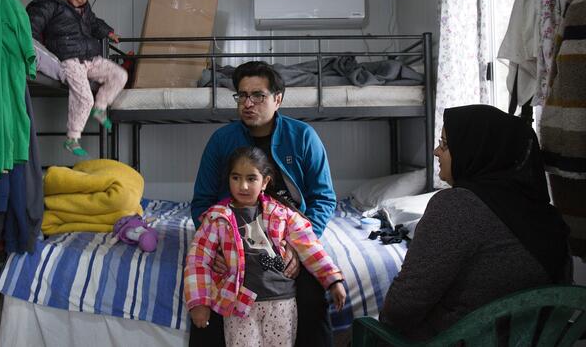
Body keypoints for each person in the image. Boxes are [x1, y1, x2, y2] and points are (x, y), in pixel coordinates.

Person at [379, 104, 572, 341]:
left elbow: (400, 310)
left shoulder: (457, 206)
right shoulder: (548, 217)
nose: (436, 152)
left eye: (445, 145)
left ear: (477, 151)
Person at [190, 61, 338, 347]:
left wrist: (299, 248)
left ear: (277, 99)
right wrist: (218, 245)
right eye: (242, 95)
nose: (248, 103)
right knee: (210, 291)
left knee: (312, 292)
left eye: (258, 95)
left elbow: (323, 198)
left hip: (288, 236)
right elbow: (201, 202)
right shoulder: (222, 140)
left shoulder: (303, 137)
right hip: (235, 235)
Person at [184, 146, 346, 347]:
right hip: (239, 304)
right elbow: (197, 259)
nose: (242, 186)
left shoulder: (283, 213)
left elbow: (310, 246)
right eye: (236, 178)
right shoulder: (216, 217)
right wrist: (199, 303)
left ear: (265, 182)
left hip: (282, 302)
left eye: (251, 179)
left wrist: (333, 280)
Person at [26, 0, 127, 156]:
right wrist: (35, 46)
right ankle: (72, 139)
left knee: (119, 75)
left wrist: (109, 32)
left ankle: (100, 108)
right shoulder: (48, 5)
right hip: (69, 59)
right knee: (85, 97)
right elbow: (32, 26)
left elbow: (95, 24)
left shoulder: (84, 10)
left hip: (89, 58)